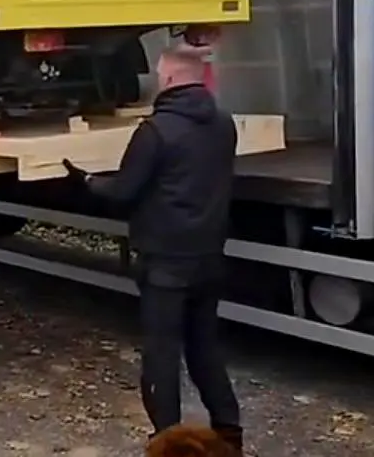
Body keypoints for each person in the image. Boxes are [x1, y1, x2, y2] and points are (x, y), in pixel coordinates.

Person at [63, 46, 242, 455]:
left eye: (162, 76)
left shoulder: (156, 131)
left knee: (162, 356)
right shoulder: (224, 124)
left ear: (174, 80)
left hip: (165, 263)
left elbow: (124, 191)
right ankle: (231, 437)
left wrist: (87, 180)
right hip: (209, 256)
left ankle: (168, 443)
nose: (159, 81)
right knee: (205, 351)